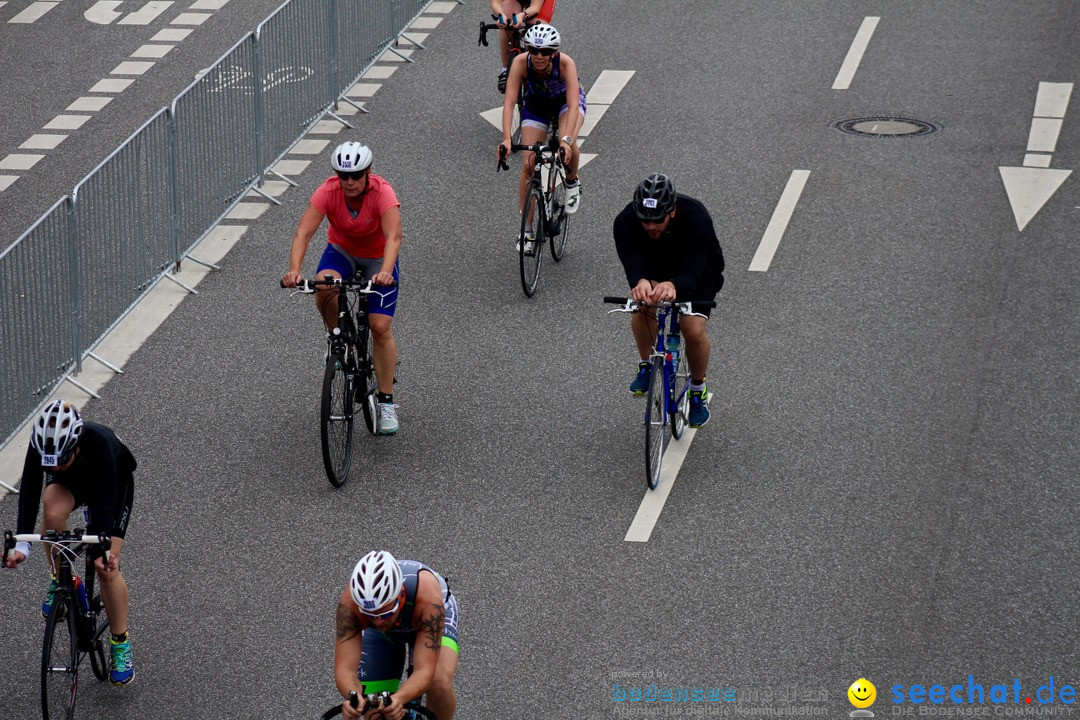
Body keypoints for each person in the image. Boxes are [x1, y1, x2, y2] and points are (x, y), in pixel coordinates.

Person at [4, 400, 137, 685]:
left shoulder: (98, 442)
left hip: (112, 484)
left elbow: (104, 502)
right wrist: (22, 546)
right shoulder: (40, 444)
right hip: (74, 484)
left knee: (107, 567)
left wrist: (103, 549)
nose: (57, 466)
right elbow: (29, 492)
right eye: (52, 463)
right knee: (52, 513)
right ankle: (61, 580)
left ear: (75, 444)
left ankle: (120, 643)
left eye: (62, 460)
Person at [282, 141, 404, 435]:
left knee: (379, 326)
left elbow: (394, 237)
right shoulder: (328, 191)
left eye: (356, 175)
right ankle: (338, 335)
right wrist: (295, 270)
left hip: (377, 258)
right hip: (342, 252)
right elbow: (304, 232)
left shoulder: (383, 192)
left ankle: (386, 402)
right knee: (323, 284)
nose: (349, 182)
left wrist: (386, 272)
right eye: (343, 176)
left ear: (367, 173)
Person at [613, 174, 726, 428]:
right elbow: (632, 263)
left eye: (658, 220)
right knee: (644, 305)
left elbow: (693, 271)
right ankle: (647, 365)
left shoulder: (697, 217)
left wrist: (675, 285)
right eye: (645, 221)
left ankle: (698, 389)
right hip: (656, 267)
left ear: (672, 211)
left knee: (692, 329)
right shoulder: (625, 222)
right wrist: (640, 281)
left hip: (698, 270)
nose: (651, 226)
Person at [334, 550, 460, 720]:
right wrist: (354, 697)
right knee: (375, 711)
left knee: (439, 683)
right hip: (382, 634)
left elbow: (425, 670)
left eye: (384, 614)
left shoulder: (427, 598)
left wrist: (398, 699)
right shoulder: (349, 607)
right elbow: (345, 668)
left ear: (400, 596)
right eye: (370, 615)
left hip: (428, 618)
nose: (378, 622)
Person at [497, 22, 584, 252]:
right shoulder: (519, 63)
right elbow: (508, 104)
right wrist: (507, 138)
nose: (538, 56)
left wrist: (566, 139)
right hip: (538, 105)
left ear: (553, 53)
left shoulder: (565, 64)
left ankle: (572, 182)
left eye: (544, 51)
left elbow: (574, 106)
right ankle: (525, 231)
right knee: (528, 163)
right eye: (533, 50)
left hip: (566, 104)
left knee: (569, 144)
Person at [490, 0, 556, 92]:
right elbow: (496, 3)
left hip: (539, 3)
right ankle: (505, 70)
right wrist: (501, 15)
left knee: (538, 27)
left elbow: (535, 8)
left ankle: (549, 71)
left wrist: (523, 15)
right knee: (507, 23)